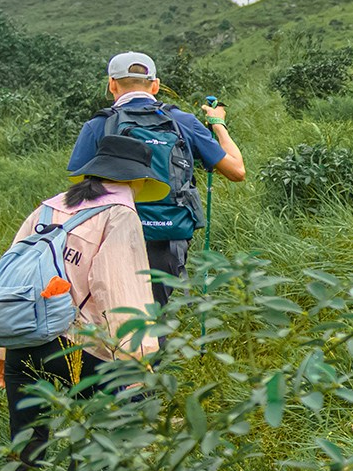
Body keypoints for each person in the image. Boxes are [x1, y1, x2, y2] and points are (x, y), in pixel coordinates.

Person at [0, 134, 165, 471]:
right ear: (136, 180)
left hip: (25, 337)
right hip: (78, 346)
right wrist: (139, 357)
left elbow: (10, 279)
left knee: (25, 445)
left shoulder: (48, 207)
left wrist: (0, 351)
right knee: (91, 432)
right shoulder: (120, 215)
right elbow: (120, 291)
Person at [67, 50, 245, 298]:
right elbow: (237, 171)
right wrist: (218, 125)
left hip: (112, 232)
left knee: (113, 307)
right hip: (168, 232)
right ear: (155, 86)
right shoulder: (183, 121)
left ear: (112, 84)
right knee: (156, 310)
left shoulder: (99, 124)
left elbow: (79, 186)